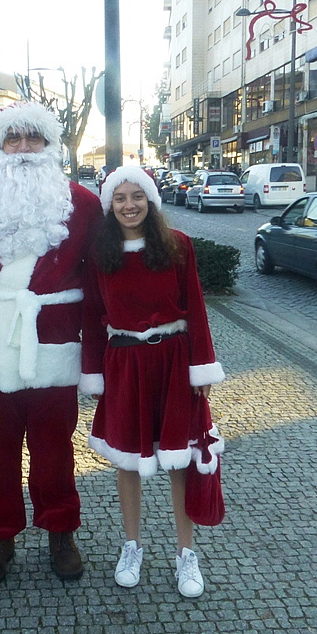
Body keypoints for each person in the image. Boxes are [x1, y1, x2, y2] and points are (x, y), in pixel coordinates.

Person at [0, 103, 102, 588]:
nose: (25, 149)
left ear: (51, 147)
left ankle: (60, 532)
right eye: (14, 139)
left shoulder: (83, 203)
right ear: (0, 148)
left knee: (55, 450)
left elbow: (103, 277)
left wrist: (101, 355)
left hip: (53, 340)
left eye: (35, 139)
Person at [79, 166, 225, 599]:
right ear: (110, 205)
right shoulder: (99, 255)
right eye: (120, 198)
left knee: (179, 461)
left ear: (151, 200)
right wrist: (95, 375)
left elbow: (196, 307)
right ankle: (132, 546)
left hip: (173, 362)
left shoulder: (178, 246)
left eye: (137, 196)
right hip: (124, 364)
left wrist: (201, 367)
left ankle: (186, 553)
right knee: (127, 460)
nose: (129, 205)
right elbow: (92, 317)